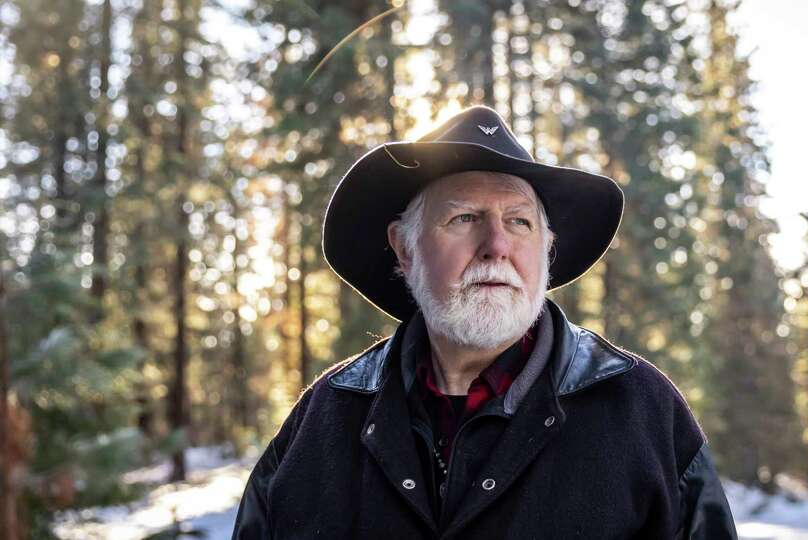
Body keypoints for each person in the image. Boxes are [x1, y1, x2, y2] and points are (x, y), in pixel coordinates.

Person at [232, 106, 738, 539]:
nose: (497, 246)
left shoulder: (642, 413)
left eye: (519, 222)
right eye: (465, 218)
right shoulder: (325, 420)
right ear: (404, 248)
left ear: (546, 248)